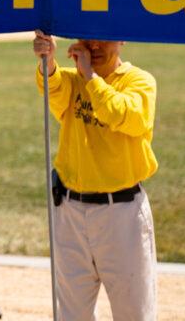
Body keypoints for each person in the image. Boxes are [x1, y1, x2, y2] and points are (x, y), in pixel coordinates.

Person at [33, 33, 158, 321]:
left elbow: (122, 115)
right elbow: (51, 87)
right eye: (88, 39)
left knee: (134, 313)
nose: (95, 46)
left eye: (104, 38)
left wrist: (90, 76)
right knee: (71, 313)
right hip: (69, 211)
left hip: (122, 214)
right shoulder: (73, 80)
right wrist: (48, 61)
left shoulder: (139, 81)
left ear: (123, 40)